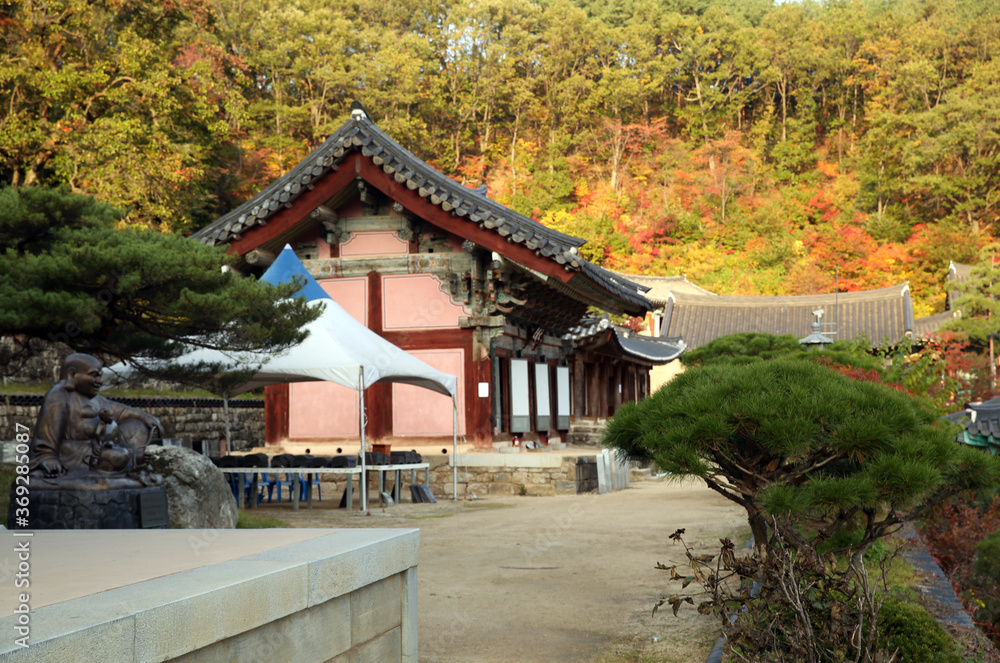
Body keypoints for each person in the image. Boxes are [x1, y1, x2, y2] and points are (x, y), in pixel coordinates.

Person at [30, 353, 162, 480]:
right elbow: (47, 437)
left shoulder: (96, 399)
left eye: (100, 376)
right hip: (77, 452)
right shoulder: (58, 396)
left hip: (105, 445)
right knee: (116, 455)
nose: (99, 381)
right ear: (72, 374)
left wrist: (145, 417)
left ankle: (130, 459)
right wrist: (48, 456)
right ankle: (130, 459)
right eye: (94, 375)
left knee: (138, 425)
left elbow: (122, 412)